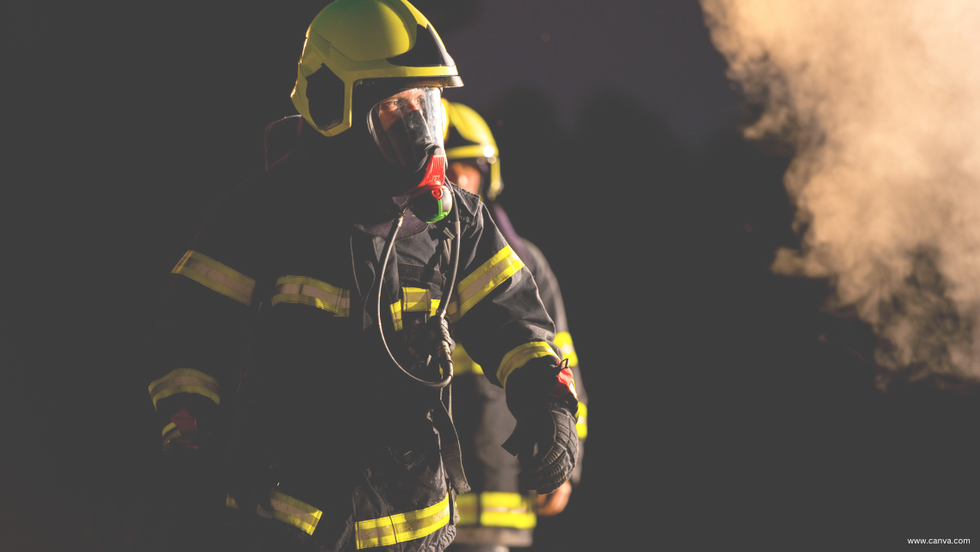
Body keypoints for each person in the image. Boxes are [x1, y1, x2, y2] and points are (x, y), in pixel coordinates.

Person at [141, 1, 579, 551]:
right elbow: (190, 329)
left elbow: (514, 319)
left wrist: (550, 402)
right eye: (397, 105)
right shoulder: (265, 213)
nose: (420, 129)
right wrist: (189, 436)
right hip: (282, 527)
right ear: (334, 108)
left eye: (427, 102)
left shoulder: (455, 222)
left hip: (415, 531)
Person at [439, 102, 588, 552]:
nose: (461, 183)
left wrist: (567, 465)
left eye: (470, 170)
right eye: (451, 168)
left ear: (489, 175)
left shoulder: (524, 262)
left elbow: (560, 364)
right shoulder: (400, 258)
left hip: (501, 497)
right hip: (413, 504)